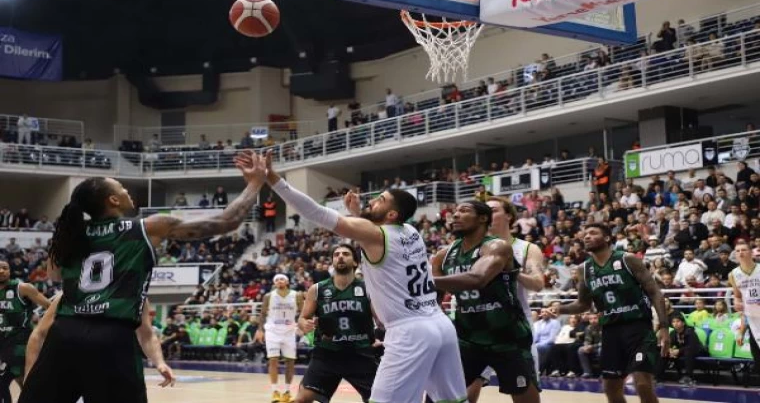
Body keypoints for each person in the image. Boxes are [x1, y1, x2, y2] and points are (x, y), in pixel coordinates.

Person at [20, 152, 265, 403]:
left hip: (65, 333)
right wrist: (255, 183)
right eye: (121, 188)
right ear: (113, 200)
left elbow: (54, 274)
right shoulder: (147, 227)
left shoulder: (72, 234)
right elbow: (226, 221)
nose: (127, 190)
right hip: (111, 336)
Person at [254, 150, 468, 403]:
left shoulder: (378, 234)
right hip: (439, 324)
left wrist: (271, 177)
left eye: (381, 199)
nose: (373, 201)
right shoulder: (410, 231)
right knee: (452, 401)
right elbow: (376, 239)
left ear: (391, 215)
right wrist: (358, 215)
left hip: (409, 330)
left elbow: (316, 212)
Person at [432, 201, 540, 403]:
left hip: (507, 337)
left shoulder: (497, 246)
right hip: (468, 338)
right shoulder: (442, 256)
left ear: (483, 218)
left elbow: (478, 278)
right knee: (439, 397)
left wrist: (424, 282)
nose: (455, 215)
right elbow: (433, 301)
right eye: (454, 212)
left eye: (463, 211)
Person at [558, 223, 669, 403]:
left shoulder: (628, 259)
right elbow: (582, 304)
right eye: (585, 234)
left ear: (608, 238)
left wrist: (664, 327)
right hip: (610, 331)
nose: (586, 237)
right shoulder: (584, 270)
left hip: (638, 328)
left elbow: (654, 291)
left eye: (593, 233)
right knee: (611, 388)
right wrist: (559, 308)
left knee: (642, 383)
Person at [25, 295, 176, 402]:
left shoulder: (136, 296)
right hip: (65, 363)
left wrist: (160, 362)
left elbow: (147, 335)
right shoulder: (69, 293)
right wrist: (30, 373)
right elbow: (38, 334)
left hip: (110, 367)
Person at [295, 244, 378, 403]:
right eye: (336, 254)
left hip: (360, 353)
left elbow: (381, 321)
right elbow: (303, 317)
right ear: (332, 262)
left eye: (346, 254)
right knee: (302, 399)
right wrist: (304, 323)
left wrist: (381, 336)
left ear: (355, 263)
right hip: (327, 353)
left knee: (379, 399)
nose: (340, 256)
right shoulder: (317, 289)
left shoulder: (367, 288)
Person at [0, 261, 50, 403]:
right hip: (3, 341)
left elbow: (49, 306)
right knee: (21, 382)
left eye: (5, 268)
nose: (2, 271)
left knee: (15, 380)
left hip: (20, 341)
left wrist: (42, 328)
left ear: (10, 271)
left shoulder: (22, 288)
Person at [256, 274, 304, 403]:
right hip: (272, 330)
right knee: (273, 360)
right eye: (276, 279)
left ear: (287, 281)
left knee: (290, 361)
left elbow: (303, 311)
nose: (279, 281)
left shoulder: (296, 295)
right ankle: (275, 391)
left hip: (289, 331)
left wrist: (302, 325)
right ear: (274, 283)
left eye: (281, 279)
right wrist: (260, 330)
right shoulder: (268, 296)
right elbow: (262, 313)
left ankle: (287, 392)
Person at [730, 241, 760, 370]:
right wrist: (742, 331)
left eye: (744, 250)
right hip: (752, 321)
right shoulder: (733, 274)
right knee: (758, 360)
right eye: (738, 251)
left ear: (751, 252)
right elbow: (738, 297)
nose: (741, 253)